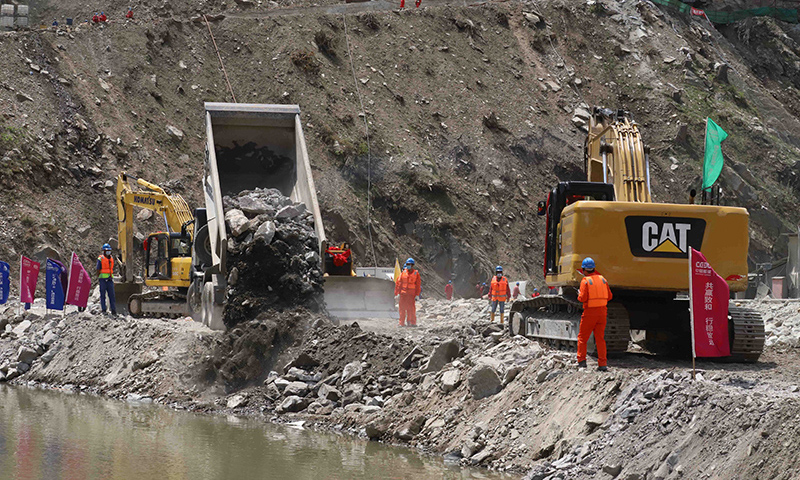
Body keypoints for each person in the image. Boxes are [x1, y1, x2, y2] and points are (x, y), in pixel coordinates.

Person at [577, 257, 612, 372]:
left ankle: (582, 362)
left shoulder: (585, 281)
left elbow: (582, 298)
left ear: (584, 270)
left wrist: (579, 294)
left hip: (590, 312)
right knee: (600, 339)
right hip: (602, 312)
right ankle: (602, 364)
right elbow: (610, 296)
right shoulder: (603, 280)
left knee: (582, 338)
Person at [395, 258, 421, 327]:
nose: (408, 266)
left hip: (411, 295)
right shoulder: (403, 273)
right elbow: (398, 284)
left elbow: (418, 285)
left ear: (412, 265)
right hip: (403, 294)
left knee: (411, 309)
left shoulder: (416, 274)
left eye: (410, 264)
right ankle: (401, 323)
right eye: (407, 264)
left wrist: (417, 295)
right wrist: (397, 293)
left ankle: (411, 322)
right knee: (402, 309)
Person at [96, 243, 117, 315]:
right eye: (107, 251)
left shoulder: (111, 258)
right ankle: (104, 309)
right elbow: (98, 269)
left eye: (109, 251)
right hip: (103, 280)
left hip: (110, 279)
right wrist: (99, 277)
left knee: (112, 295)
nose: (108, 252)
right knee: (103, 295)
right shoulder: (100, 259)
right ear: (104, 251)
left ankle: (113, 310)